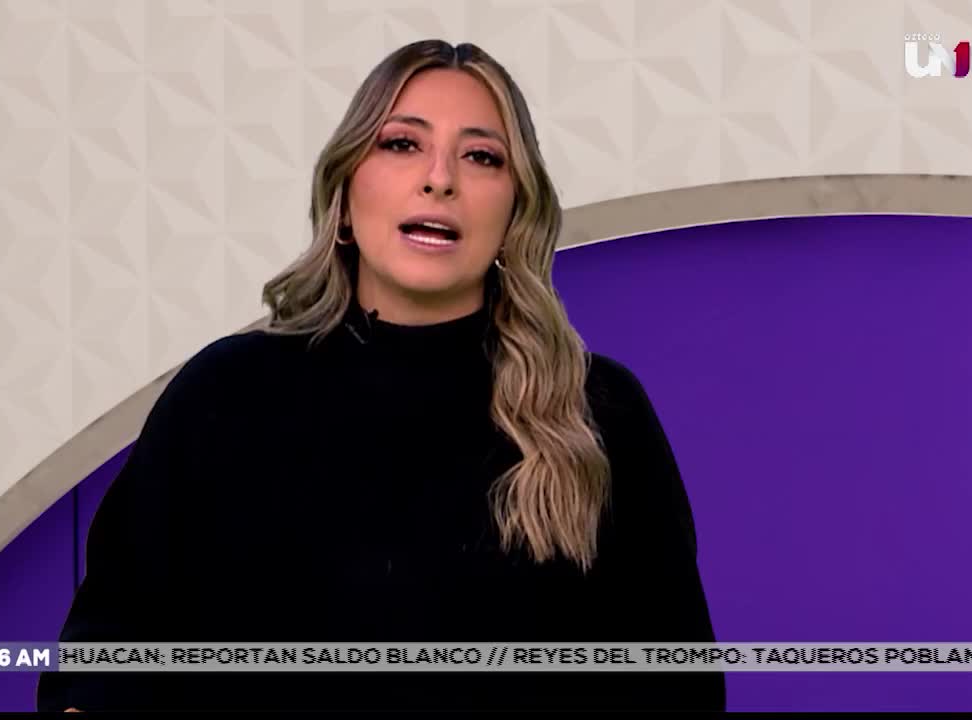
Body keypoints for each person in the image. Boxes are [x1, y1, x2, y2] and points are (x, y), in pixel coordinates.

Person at [37, 39, 724, 712]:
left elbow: (677, 685)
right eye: (401, 144)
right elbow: (108, 653)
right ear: (344, 191)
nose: (440, 178)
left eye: (481, 156)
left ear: (516, 212)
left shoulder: (598, 410)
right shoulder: (224, 394)